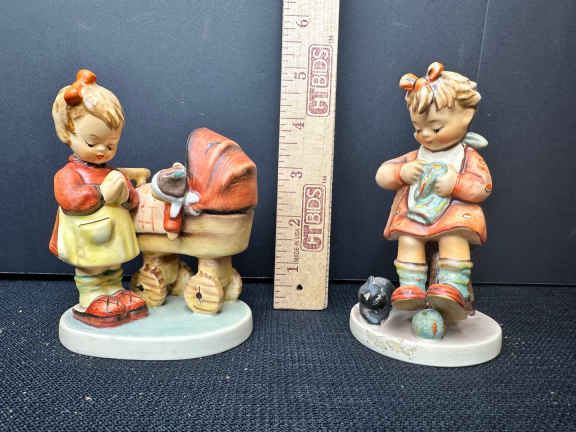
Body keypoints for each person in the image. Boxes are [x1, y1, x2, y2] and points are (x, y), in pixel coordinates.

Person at [375, 62, 492, 321]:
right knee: (408, 240)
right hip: (415, 216)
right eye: (418, 128)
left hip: (452, 217)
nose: (426, 135)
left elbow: (483, 186)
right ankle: (411, 288)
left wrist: (456, 184)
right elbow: (382, 174)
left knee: (454, 239)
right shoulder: (417, 156)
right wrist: (402, 173)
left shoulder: (466, 157)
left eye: (436, 128)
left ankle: (453, 287)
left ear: (466, 116)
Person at [49, 69, 147, 327]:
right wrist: (102, 193)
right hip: (85, 236)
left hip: (113, 236)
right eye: (93, 143)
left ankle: (115, 290)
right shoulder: (68, 174)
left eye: (111, 145)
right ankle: (91, 294)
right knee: (91, 268)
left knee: (113, 265)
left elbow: (134, 200)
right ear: (67, 134)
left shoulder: (114, 173)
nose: (103, 150)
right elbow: (70, 199)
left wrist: (126, 195)